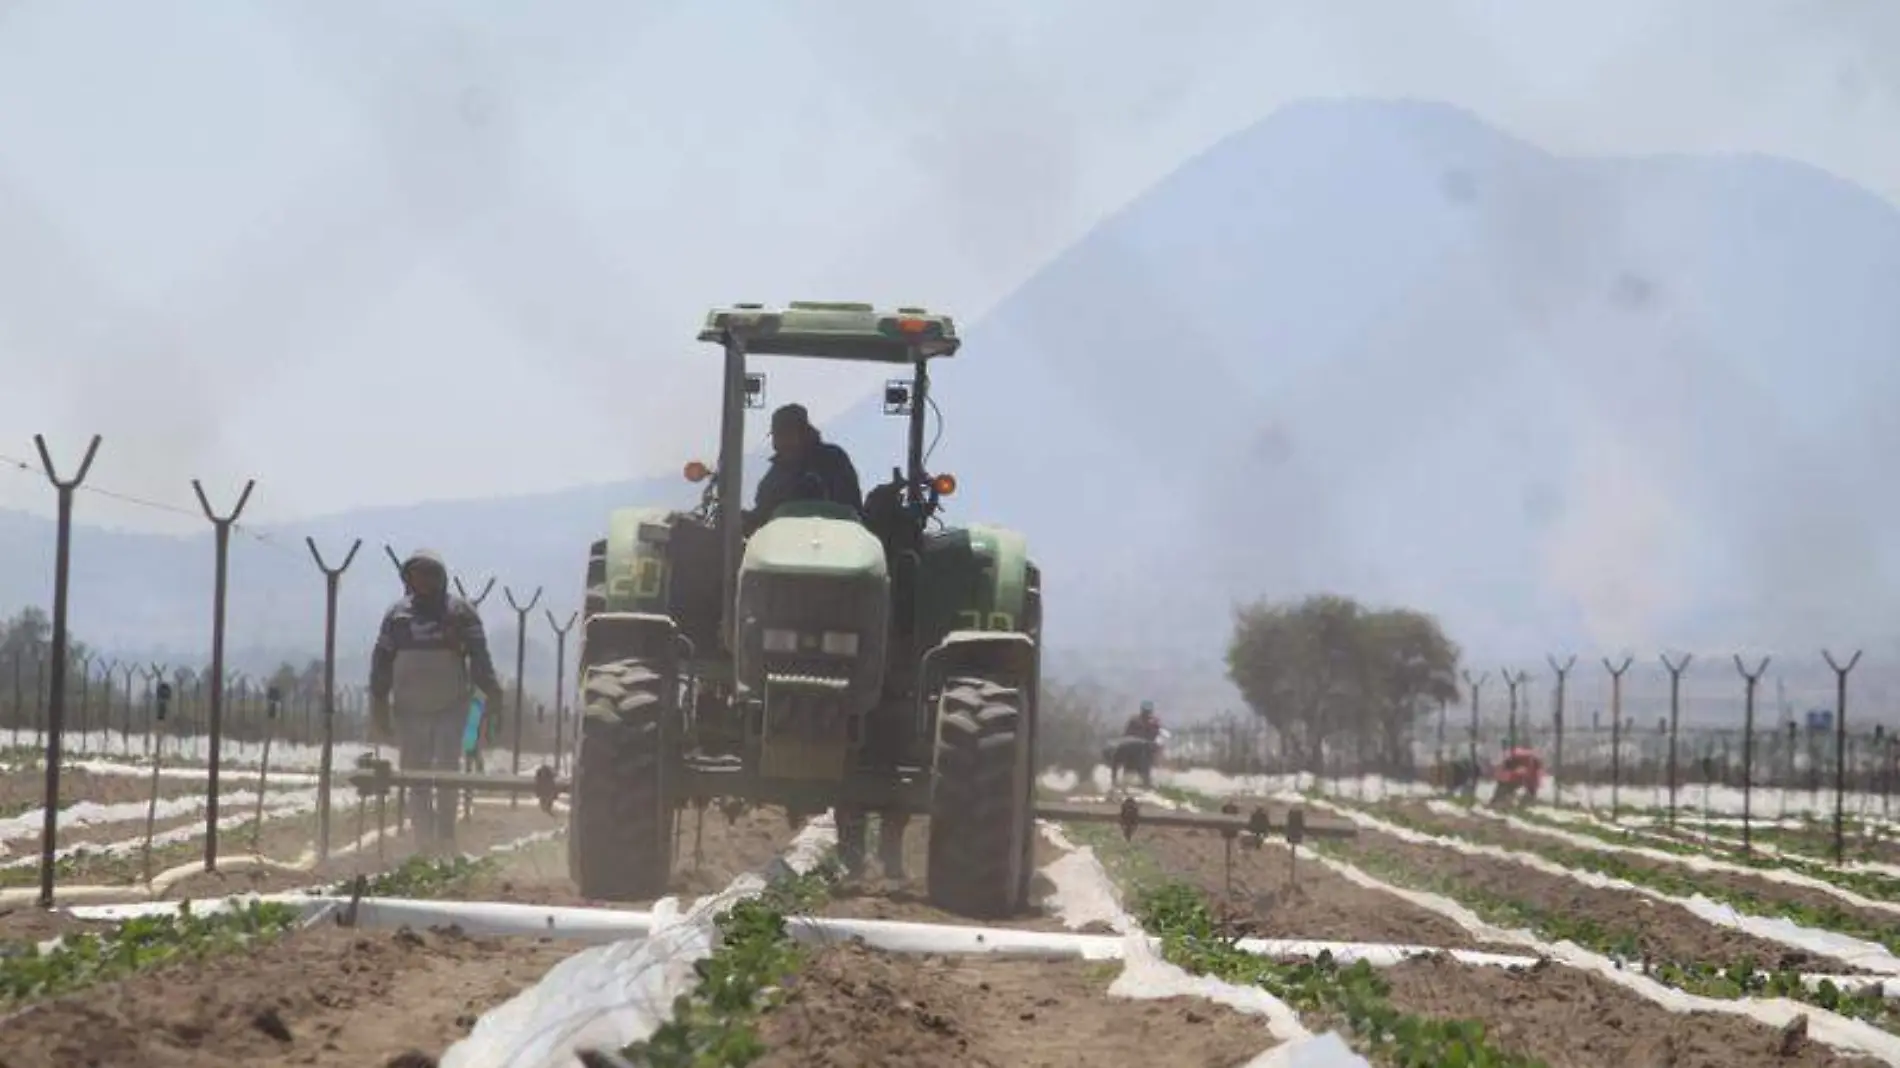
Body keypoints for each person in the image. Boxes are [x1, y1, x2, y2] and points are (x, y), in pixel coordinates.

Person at [368, 549, 506, 854]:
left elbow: (480, 661)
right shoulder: (396, 617)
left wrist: (493, 696)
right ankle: (422, 838)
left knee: (446, 770)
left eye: (429, 574)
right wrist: (378, 701)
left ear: (441, 577)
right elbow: (381, 661)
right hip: (408, 709)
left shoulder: (461, 614)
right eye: (416, 575)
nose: (423, 582)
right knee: (414, 773)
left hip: (452, 706)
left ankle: (445, 834)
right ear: (408, 579)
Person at [745, 403, 863, 535]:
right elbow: (763, 515)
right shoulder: (774, 476)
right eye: (777, 435)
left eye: (787, 433)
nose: (781, 441)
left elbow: (850, 508)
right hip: (785, 548)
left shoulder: (832, 460)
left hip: (834, 543)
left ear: (803, 432)